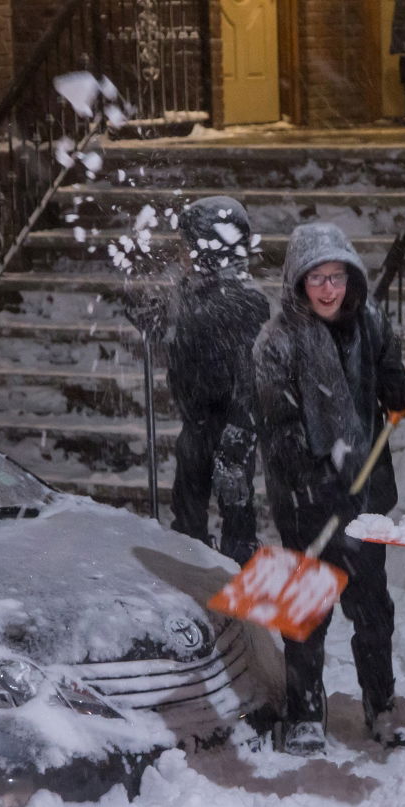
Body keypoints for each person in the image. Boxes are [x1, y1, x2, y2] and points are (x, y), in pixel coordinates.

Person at [252, 222, 405, 757]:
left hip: (365, 493)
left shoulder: (369, 323)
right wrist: (321, 481)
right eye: (317, 278)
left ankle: (381, 703)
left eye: (338, 277)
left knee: (372, 608)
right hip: (305, 499)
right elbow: (278, 429)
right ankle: (304, 712)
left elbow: (389, 370)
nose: (329, 289)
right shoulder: (276, 342)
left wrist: (396, 389)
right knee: (306, 608)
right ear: (297, 281)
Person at [163, 197, 270, 565]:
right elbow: (183, 341)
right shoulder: (191, 289)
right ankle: (192, 567)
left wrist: (239, 432)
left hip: (229, 424)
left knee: (235, 506)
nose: (182, 253)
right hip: (196, 419)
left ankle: (238, 569)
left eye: (188, 244)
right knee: (187, 503)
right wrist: (157, 321)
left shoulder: (243, 301)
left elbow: (250, 373)